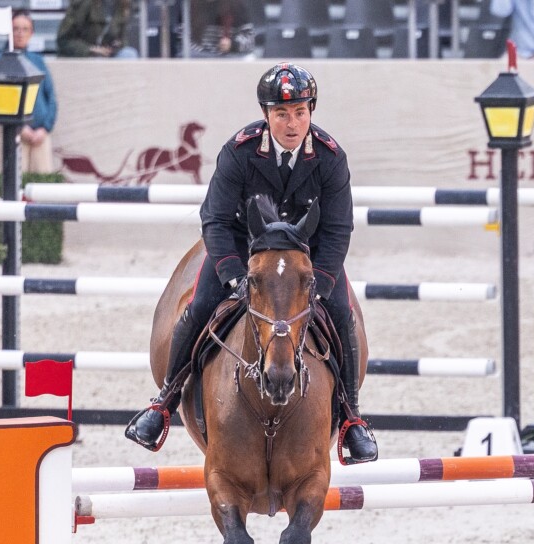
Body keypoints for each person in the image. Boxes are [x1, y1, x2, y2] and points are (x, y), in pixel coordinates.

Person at [125, 63, 378, 465]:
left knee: (343, 316)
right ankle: (165, 401)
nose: (292, 123)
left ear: (311, 110)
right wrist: (232, 276)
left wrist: (322, 284)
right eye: (282, 114)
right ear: (266, 115)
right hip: (244, 252)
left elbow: (338, 229)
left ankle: (351, 419)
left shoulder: (330, 157)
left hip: (306, 256)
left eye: (300, 112)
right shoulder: (239, 151)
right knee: (200, 306)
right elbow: (216, 219)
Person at [9, 10, 59, 173]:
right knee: (16, 180)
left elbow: (50, 97)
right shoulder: (1, 61)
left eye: (25, 29)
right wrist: (20, 128)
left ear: (31, 33)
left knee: (43, 181)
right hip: (14, 133)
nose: (20, 33)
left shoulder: (38, 61)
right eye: (16, 29)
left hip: (40, 134)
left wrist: (45, 128)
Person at [56, 0, 138, 57]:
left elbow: (123, 40)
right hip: (82, 57)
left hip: (107, 56)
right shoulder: (84, 3)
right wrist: (90, 50)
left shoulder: (123, 5)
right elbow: (63, 40)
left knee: (129, 54)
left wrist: (116, 45)